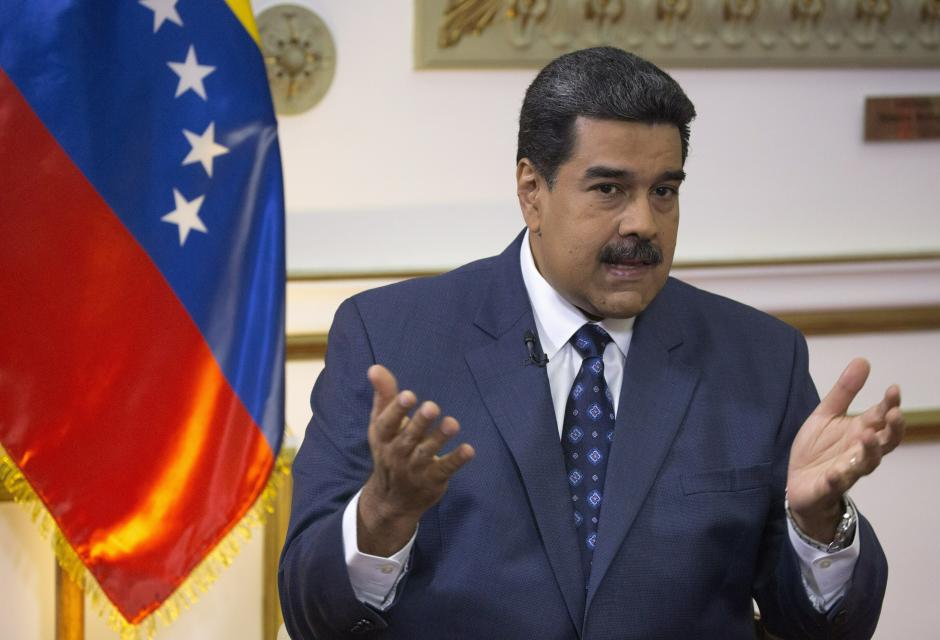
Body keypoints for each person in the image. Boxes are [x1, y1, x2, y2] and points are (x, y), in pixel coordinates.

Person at [278, 47, 902, 639]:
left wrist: (818, 525)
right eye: (609, 189)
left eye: (664, 190)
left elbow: (824, 629)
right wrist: (383, 515)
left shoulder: (762, 359)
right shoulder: (390, 338)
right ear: (532, 191)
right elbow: (313, 615)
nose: (643, 223)